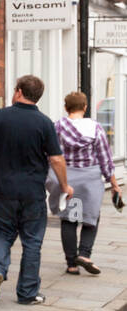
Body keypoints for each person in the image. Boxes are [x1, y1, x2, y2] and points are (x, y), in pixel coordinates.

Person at [0, 75, 73, 305]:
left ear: (19, 91)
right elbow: (57, 159)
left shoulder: (0, 116)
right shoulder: (45, 123)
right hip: (32, 193)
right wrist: (64, 185)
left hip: (3, 190)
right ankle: (27, 293)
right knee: (32, 242)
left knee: (2, 234)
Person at [51, 91, 122, 275]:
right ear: (85, 107)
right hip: (90, 180)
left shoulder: (57, 127)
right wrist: (114, 184)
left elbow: (50, 154)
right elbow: (105, 158)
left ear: (66, 108)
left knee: (69, 219)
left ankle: (71, 264)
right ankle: (84, 254)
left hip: (68, 178)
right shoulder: (95, 128)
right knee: (91, 217)